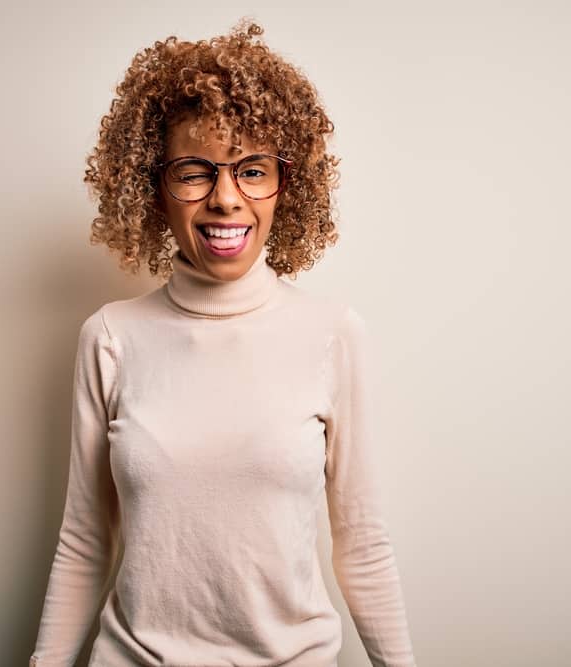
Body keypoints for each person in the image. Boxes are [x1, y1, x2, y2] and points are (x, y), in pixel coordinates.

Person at [30, 20, 418, 667]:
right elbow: (84, 539)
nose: (226, 199)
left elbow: (363, 542)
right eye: (195, 171)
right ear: (155, 185)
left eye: (252, 170)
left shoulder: (333, 334)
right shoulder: (110, 337)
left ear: (284, 185)